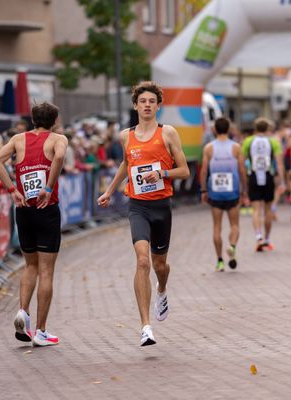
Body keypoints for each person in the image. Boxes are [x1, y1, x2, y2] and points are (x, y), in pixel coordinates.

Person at [97, 81, 190, 346]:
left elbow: (184, 171)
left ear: (158, 106)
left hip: (162, 206)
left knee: (160, 265)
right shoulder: (126, 135)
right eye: (143, 101)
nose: (147, 105)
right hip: (138, 206)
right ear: (135, 105)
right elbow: (127, 163)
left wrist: (161, 173)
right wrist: (110, 190)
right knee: (142, 262)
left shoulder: (168, 133)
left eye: (152, 101)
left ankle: (162, 288)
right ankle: (145, 326)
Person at [0, 101, 68, 347]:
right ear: (54, 121)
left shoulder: (18, 139)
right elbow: (58, 158)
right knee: (46, 271)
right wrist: (47, 187)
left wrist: (12, 189)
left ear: (33, 119)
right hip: (47, 208)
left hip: (23, 208)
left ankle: (23, 312)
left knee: (30, 266)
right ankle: (41, 331)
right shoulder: (58, 139)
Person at [200, 117, 246, 271]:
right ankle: (232, 246)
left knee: (216, 227)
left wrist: (203, 190)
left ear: (214, 130)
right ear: (229, 129)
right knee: (234, 225)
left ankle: (219, 261)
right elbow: (241, 170)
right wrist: (244, 189)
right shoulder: (236, 147)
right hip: (232, 191)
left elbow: (204, 171)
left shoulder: (209, 148)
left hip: (215, 192)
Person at [242, 118, 285, 252]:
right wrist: (281, 180)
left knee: (256, 210)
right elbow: (278, 163)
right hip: (268, 177)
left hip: (253, 176)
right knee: (267, 210)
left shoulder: (248, 141)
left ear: (255, 128)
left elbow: (242, 162)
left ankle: (258, 237)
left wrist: (244, 181)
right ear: (267, 129)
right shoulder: (273, 141)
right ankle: (267, 239)